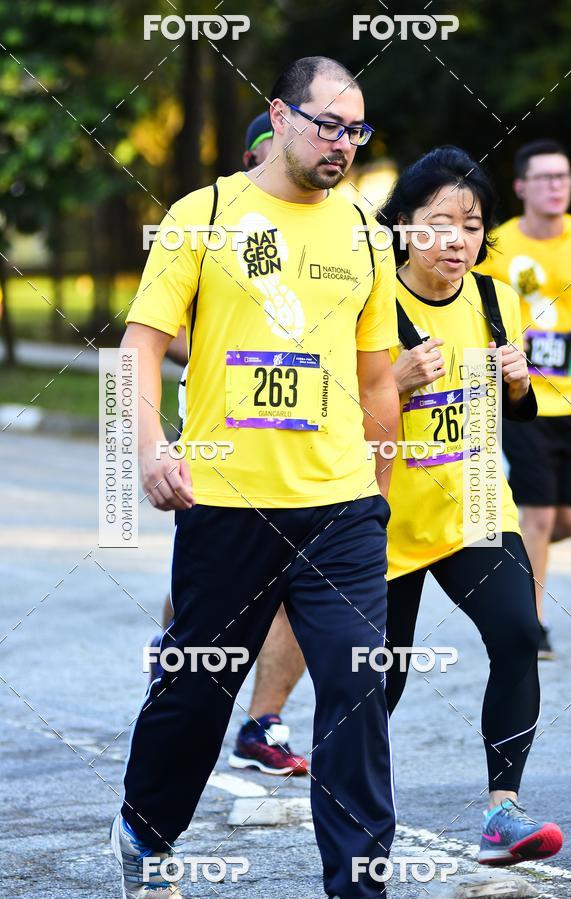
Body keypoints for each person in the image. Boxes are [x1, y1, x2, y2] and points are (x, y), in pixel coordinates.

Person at [111, 56, 400, 899]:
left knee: (356, 690)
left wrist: (377, 489)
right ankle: (145, 827)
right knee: (197, 694)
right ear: (278, 115)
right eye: (327, 124)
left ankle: (359, 885)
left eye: (356, 130)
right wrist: (151, 451)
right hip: (227, 503)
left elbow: (377, 378)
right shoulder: (202, 216)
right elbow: (138, 349)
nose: (342, 144)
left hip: (340, 507)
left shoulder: (366, 234)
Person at [377, 146, 563, 866]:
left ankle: (503, 812)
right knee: (378, 678)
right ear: (403, 226)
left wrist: (518, 382)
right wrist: (393, 379)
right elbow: (339, 413)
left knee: (518, 634)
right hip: (387, 514)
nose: (457, 239)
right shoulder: (371, 302)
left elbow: (517, 413)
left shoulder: (494, 299)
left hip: (478, 502)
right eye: (440, 222)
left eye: (472, 224)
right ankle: (348, 795)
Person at [149, 111, 309, 777]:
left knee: (297, 585)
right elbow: (164, 331)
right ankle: (176, 643)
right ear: (251, 158)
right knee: (211, 584)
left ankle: (262, 719)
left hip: (302, 442)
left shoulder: (320, 230)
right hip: (219, 433)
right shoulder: (211, 223)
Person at [478, 139, 571, 660]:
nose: (557, 186)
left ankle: (512, 565)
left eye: (564, 177)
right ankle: (535, 625)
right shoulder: (500, 246)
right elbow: (479, 315)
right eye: (546, 178)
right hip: (521, 398)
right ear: (522, 186)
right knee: (541, 513)